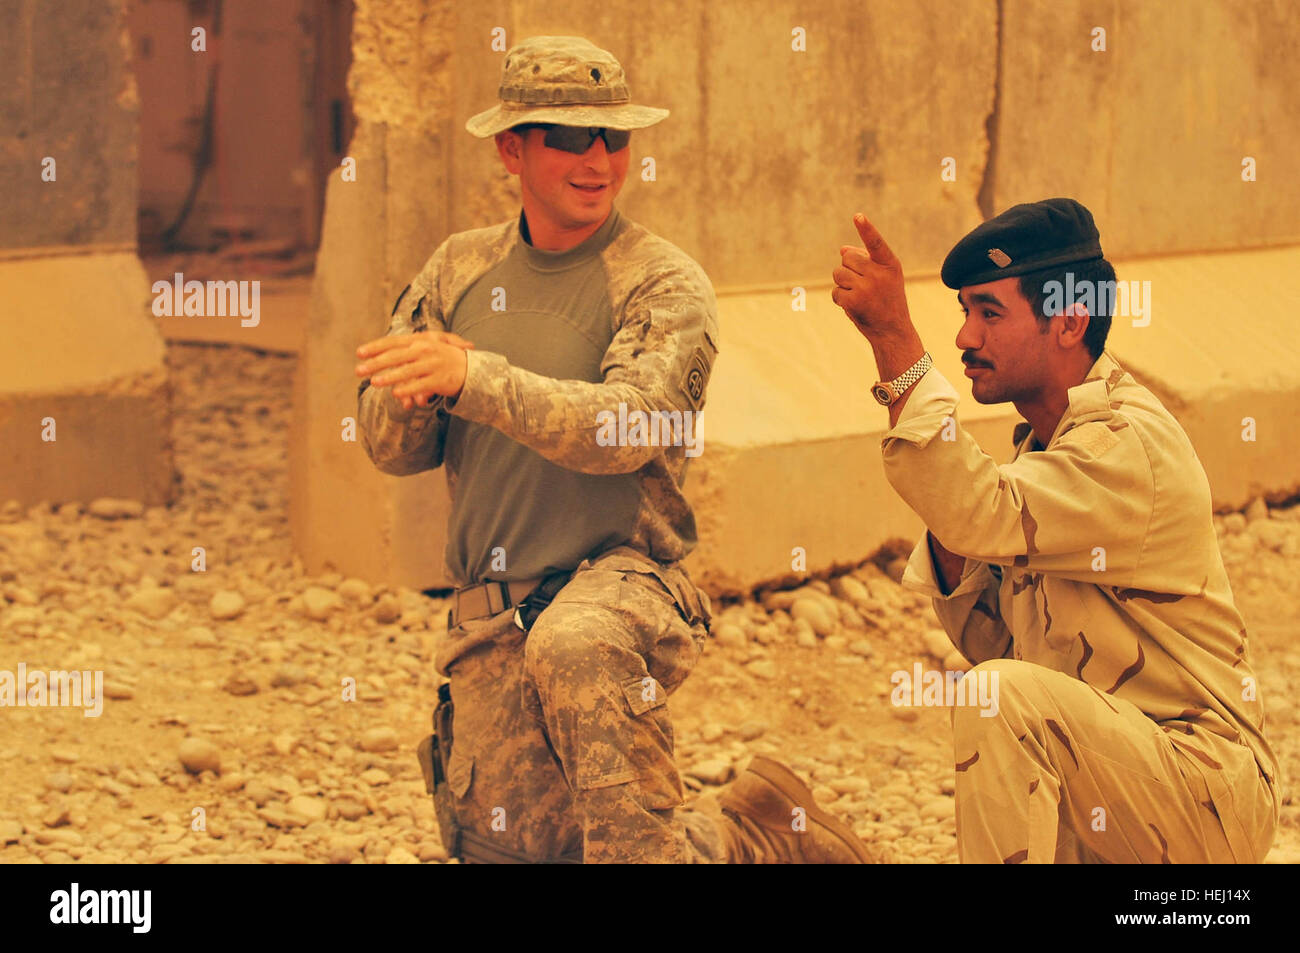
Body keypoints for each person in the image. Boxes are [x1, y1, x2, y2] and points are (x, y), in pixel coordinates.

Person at [354, 35, 868, 864]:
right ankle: (755, 835)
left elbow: (632, 428)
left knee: (578, 650)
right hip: (491, 618)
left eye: (614, 138)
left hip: (620, 589)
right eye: (569, 137)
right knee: (541, 847)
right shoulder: (458, 268)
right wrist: (406, 391)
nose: (598, 160)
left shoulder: (660, 281)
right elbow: (392, 449)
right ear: (511, 149)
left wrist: (472, 376)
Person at [831, 197, 1277, 863]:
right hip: (1120, 786)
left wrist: (897, 345)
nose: (965, 338)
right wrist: (952, 503)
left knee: (994, 698)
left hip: (1202, 796)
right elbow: (991, 636)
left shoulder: (1125, 444)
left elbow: (978, 512)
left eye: (990, 313)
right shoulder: (1047, 445)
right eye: (964, 313)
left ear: (1068, 322)